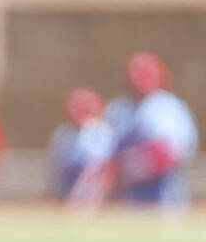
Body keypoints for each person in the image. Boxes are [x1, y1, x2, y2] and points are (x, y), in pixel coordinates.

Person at [103, 50, 198, 211]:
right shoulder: (118, 109)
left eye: (145, 73)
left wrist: (129, 168)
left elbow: (172, 153)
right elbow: (104, 152)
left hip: (163, 200)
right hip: (124, 202)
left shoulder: (168, 108)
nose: (138, 79)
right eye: (135, 73)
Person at [48, 86, 116, 206]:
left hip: (97, 200)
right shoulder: (62, 134)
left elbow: (106, 171)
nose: (78, 111)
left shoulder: (102, 132)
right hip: (65, 196)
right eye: (75, 107)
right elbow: (55, 172)